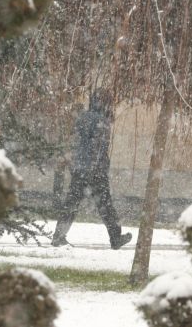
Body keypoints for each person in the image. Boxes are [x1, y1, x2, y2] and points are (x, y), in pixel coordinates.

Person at [51, 89, 132, 249]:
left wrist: (76, 165)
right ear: (105, 104)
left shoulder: (82, 118)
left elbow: (77, 144)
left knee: (71, 203)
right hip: (95, 171)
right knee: (105, 206)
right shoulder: (102, 121)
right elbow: (98, 148)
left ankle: (58, 236)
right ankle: (115, 238)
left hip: (79, 168)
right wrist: (97, 168)